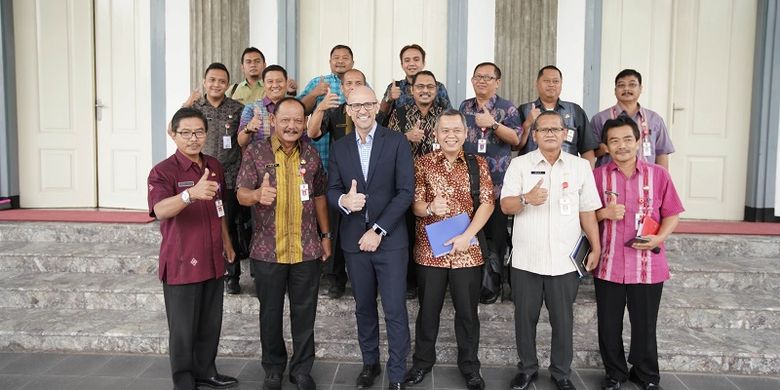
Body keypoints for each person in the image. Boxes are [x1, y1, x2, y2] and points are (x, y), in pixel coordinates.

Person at [500, 111, 601, 390]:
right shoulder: (520, 165)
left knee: (563, 322)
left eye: (555, 129)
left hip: (564, 261)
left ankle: (561, 373)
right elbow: (505, 206)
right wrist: (526, 198)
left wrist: (597, 246)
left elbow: (588, 211)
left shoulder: (580, 167)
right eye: (543, 130)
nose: (550, 134)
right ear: (534, 135)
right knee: (525, 320)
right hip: (526, 260)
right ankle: (527, 369)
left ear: (565, 133)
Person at [236, 98, 331, 390]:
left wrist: (326, 236)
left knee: (305, 313)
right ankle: (273, 368)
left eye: (298, 121)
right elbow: (240, 193)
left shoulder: (312, 154)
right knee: (270, 313)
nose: (292, 126)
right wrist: (256, 196)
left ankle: (301, 370)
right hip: (268, 250)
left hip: (306, 249)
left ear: (304, 124)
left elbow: (318, 197)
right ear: (273, 121)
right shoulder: (256, 151)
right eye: (285, 120)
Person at [327, 86, 414, 390]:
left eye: (367, 104)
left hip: (389, 242)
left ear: (377, 106)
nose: (362, 110)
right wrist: (343, 202)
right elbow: (332, 190)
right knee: (364, 307)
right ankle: (370, 364)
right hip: (354, 241)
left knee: (394, 309)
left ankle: (398, 373)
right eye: (355, 105)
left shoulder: (396, 141)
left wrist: (378, 230)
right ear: (347, 110)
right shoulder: (340, 147)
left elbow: (405, 193)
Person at [147, 107, 239, 390]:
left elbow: (220, 206)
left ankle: (206, 371)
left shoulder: (214, 166)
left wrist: (226, 241)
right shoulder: (162, 171)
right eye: (185, 133)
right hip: (182, 260)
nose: (193, 138)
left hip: (213, 256)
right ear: (173, 135)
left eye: (198, 132)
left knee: (210, 323)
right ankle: (184, 380)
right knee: (183, 329)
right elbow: (160, 210)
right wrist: (189, 194)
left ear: (206, 134)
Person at [593, 116, 684, 390]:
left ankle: (646, 375)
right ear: (606, 146)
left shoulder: (659, 175)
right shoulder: (597, 176)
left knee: (645, 324)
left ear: (639, 141)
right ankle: (615, 373)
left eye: (627, 139)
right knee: (608, 325)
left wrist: (660, 236)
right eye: (614, 141)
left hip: (648, 265)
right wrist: (603, 213)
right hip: (608, 264)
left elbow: (672, 214)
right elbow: (582, 216)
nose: (621, 146)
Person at [404, 110, 493, 390]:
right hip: (431, 252)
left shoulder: (478, 164)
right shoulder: (422, 164)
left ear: (466, 134)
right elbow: (415, 205)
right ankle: (421, 363)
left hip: (467, 251)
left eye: (456, 130)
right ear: (436, 134)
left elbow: (487, 203)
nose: (451, 135)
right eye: (445, 130)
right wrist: (430, 207)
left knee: (468, 314)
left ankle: (469, 366)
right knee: (427, 312)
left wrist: (468, 236)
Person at [182, 62, 249, 295]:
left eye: (221, 81)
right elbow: (177, 130)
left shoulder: (238, 108)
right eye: (212, 80)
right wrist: (186, 104)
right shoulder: (195, 108)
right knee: (201, 225)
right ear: (204, 81)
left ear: (227, 84)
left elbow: (243, 140)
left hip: (230, 176)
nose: (216, 84)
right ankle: (203, 270)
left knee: (227, 225)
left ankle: (232, 276)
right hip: (200, 178)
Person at [306, 68, 374, 299]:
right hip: (339, 178)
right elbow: (313, 132)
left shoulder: (374, 112)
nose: (353, 86)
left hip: (368, 178)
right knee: (336, 230)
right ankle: (335, 279)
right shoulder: (333, 111)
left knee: (364, 227)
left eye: (358, 82)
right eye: (349, 83)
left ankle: (363, 279)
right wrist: (320, 108)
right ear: (342, 88)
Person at [459, 62, 522, 303]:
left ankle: (495, 283)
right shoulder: (465, 107)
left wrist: (494, 125)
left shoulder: (507, 108)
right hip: (469, 184)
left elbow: (516, 140)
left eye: (488, 77)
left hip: (497, 187)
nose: (482, 81)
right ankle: (475, 284)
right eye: (478, 77)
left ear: (498, 82)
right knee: (473, 236)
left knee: (496, 238)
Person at [387, 69, 446, 299]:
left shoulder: (444, 114)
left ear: (436, 89)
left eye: (430, 87)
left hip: (437, 185)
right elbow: (387, 146)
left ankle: (434, 283)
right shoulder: (399, 114)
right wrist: (405, 137)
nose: (425, 90)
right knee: (408, 233)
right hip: (406, 184)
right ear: (411, 90)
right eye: (420, 86)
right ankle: (410, 282)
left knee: (434, 231)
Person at [590, 69, 675, 169]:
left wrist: (662, 180)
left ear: (640, 88)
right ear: (615, 90)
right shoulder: (600, 119)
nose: (626, 89)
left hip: (646, 180)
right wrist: (605, 148)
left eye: (632, 85)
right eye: (621, 85)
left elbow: (662, 153)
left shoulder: (654, 119)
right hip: (610, 180)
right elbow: (591, 152)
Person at [518, 66, 599, 167]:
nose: (551, 84)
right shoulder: (524, 110)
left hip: (568, 173)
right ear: (537, 84)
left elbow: (587, 149)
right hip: (531, 171)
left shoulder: (575, 110)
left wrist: (588, 175)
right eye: (546, 81)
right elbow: (516, 146)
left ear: (561, 84)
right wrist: (528, 123)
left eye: (555, 81)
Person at [379, 44, 451, 123]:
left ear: (423, 63)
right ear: (402, 65)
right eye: (407, 60)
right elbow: (380, 117)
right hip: (400, 134)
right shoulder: (395, 87)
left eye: (416, 60)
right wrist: (389, 98)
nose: (412, 63)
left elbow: (450, 116)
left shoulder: (438, 87)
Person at [237, 65, 290, 148]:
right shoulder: (251, 108)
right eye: (270, 81)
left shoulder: (294, 107)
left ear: (286, 83)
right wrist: (248, 128)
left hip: (291, 159)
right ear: (264, 84)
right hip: (260, 159)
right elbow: (241, 142)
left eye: (279, 81)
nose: (275, 85)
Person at [227, 47, 297, 105]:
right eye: (248, 62)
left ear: (264, 65)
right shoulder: (233, 90)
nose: (253, 65)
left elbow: (288, 104)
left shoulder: (274, 87)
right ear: (242, 67)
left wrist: (291, 91)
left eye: (257, 61)